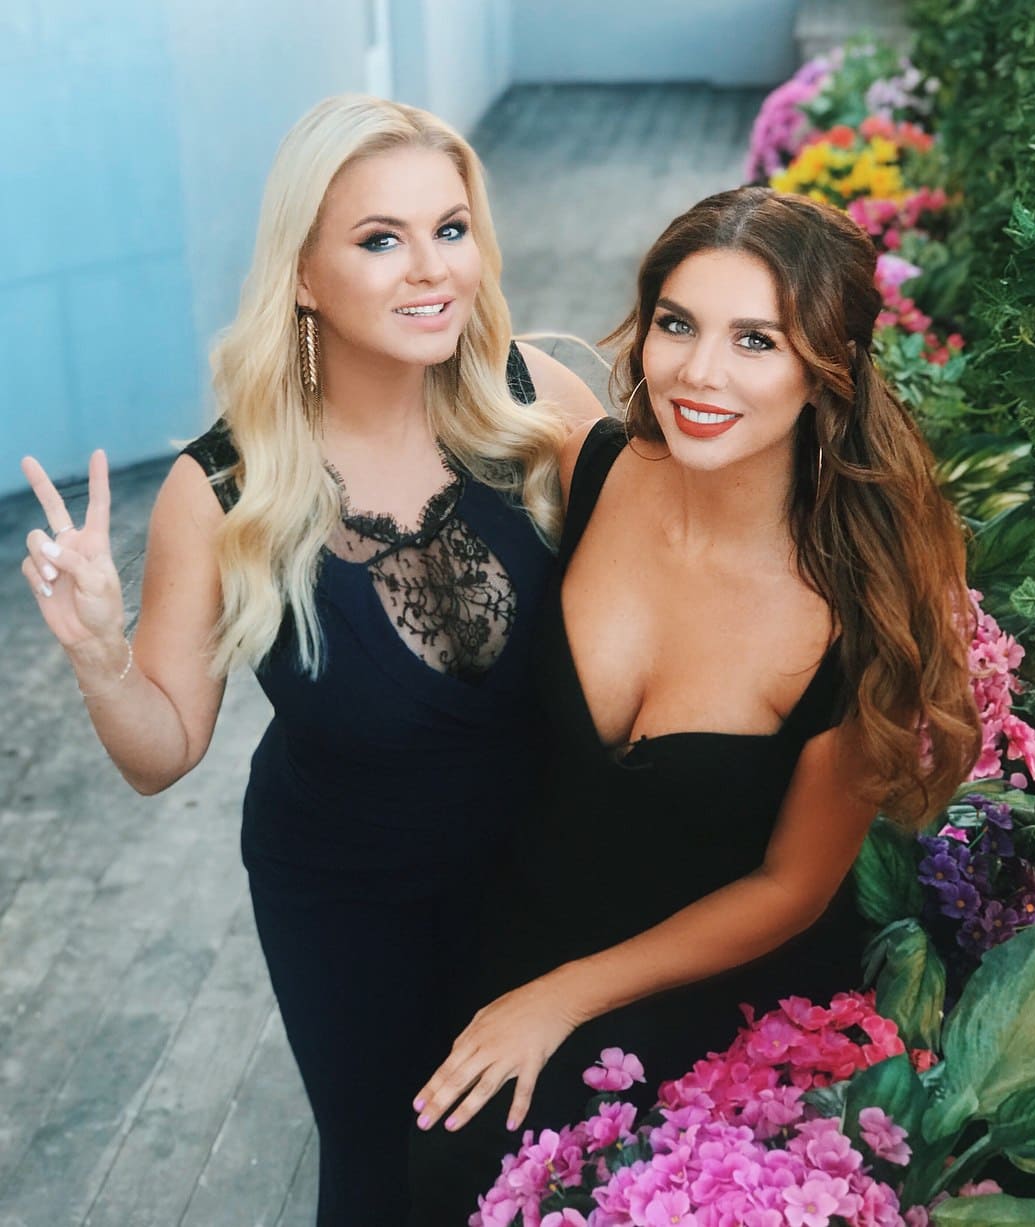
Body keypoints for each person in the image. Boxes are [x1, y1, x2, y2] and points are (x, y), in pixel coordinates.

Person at [19, 94, 600, 1224]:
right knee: (389, 1172)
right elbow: (161, 753)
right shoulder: (223, 489)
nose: (430, 268)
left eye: (450, 228)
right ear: (302, 276)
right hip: (348, 898)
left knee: (550, 1162)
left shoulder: (539, 407)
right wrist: (98, 653)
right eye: (380, 239)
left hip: (545, 869)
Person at [407, 186, 982, 1223]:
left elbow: (791, 887)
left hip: (710, 1010)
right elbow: (403, 370)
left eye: (756, 340)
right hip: (513, 934)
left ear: (829, 368)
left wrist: (563, 998)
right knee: (432, 1172)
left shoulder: (860, 609)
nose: (699, 372)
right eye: (677, 324)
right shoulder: (589, 466)